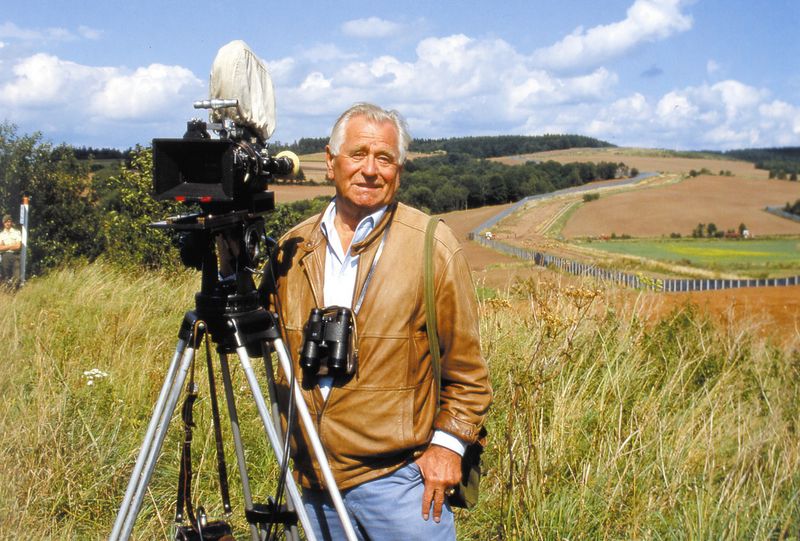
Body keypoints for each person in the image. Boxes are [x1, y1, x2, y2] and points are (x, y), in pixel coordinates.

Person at [265, 102, 492, 540]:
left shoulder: (431, 246)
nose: (371, 169)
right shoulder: (292, 247)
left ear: (400, 169)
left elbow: (468, 372)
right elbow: (264, 345)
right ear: (331, 163)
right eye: (358, 154)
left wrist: (448, 447)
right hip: (308, 480)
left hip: (399, 485)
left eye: (384, 158)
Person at [0, 214, 22, 288]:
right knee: (5, 276)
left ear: (11, 222)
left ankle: (15, 293)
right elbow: (0, 248)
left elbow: (18, 246)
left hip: (15, 256)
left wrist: (6, 246)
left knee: (17, 277)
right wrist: (11, 246)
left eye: (9, 221)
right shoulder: (1, 234)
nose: (8, 223)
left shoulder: (17, 232)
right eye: (6, 222)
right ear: (3, 223)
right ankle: (7, 293)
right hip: (5, 256)